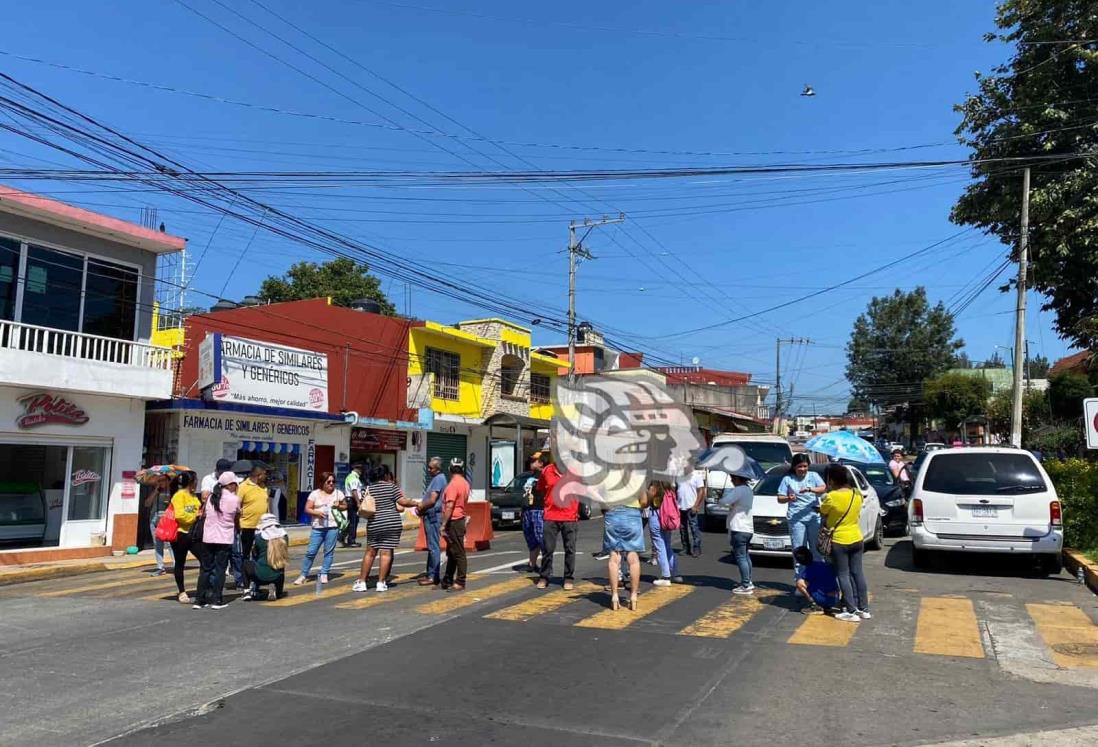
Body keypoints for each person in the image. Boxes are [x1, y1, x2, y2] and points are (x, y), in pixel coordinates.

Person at [353, 466, 418, 592]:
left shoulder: (368, 489)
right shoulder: (392, 487)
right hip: (392, 523)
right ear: (386, 475)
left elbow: (362, 504)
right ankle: (381, 582)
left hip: (375, 522)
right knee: (386, 552)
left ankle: (362, 581)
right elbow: (402, 502)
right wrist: (416, 503)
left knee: (370, 552)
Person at [821, 464, 869, 623]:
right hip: (857, 538)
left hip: (839, 540)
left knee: (843, 574)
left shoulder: (831, 496)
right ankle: (864, 608)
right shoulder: (857, 493)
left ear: (832, 480)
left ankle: (851, 610)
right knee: (858, 573)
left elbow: (824, 511)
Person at [194, 472, 241, 610]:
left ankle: (199, 600)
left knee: (205, 569)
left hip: (208, 537)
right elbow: (238, 513)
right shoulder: (234, 499)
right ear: (231, 485)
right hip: (224, 538)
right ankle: (216, 599)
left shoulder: (210, 498)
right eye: (236, 484)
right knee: (220, 569)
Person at [777, 454, 827, 579]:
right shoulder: (788, 479)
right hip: (796, 519)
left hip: (813, 518)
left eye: (805, 466)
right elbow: (780, 498)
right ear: (794, 467)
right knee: (800, 550)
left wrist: (810, 489)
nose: (803, 469)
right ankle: (801, 579)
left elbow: (823, 488)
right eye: (800, 466)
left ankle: (819, 579)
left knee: (816, 550)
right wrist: (789, 498)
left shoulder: (813, 476)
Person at [293, 472, 347, 585]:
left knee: (329, 552)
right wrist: (317, 513)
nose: (331, 484)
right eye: (328, 482)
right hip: (318, 527)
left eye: (333, 481)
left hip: (332, 526)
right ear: (322, 483)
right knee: (311, 552)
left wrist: (339, 506)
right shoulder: (315, 494)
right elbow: (307, 509)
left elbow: (345, 506)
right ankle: (303, 574)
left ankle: (324, 573)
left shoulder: (338, 493)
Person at [602, 486, 648, 611]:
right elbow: (644, 501)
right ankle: (633, 597)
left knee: (614, 557)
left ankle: (615, 596)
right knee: (633, 558)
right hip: (632, 514)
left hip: (612, 513)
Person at [537, 452, 577, 590]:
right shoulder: (547, 471)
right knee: (548, 549)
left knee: (570, 549)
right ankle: (544, 576)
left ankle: (568, 578)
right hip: (551, 516)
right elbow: (541, 489)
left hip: (569, 516)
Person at [168, 472, 202, 604]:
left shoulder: (193, 496)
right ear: (191, 481)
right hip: (180, 534)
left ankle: (203, 587)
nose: (197, 482)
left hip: (193, 534)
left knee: (205, 559)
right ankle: (181, 591)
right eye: (196, 479)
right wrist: (195, 516)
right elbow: (180, 516)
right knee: (180, 563)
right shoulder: (179, 495)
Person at [719, 471, 755, 595]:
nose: (731, 481)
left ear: (738, 479)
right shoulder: (749, 490)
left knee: (740, 556)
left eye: (732, 478)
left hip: (738, 527)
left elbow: (723, 501)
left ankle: (745, 585)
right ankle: (748, 581)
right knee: (745, 555)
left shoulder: (739, 490)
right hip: (748, 527)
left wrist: (722, 497)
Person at [416, 457, 448, 587]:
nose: (429, 470)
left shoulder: (438, 479)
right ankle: (431, 573)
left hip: (433, 515)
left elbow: (433, 500)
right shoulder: (437, 479)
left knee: (433, 547)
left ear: (438, 469)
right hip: (431, 515)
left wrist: (421, 506)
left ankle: (433, 576)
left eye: (431, 468)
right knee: (432, 546)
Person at [440, 459, 471, 591]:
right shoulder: (465, 483)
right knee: (452, 551)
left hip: (454, 520)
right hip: (459, 519)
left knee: (458, 552)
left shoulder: (453, 484)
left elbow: (450, 505)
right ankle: (448, 578)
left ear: (450, 469)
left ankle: (460, 581)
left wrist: (443, 524)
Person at [244, 513, 288, 601]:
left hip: (259, 577)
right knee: (281, 561)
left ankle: (247, 591)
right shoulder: (285, 536)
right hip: (277, 577)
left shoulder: (259, 537)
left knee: (245, 563)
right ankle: (278, 591)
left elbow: (255, 554)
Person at [648, 482, 682, 586]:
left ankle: (665, 576)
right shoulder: (669, 488)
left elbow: (647, 500)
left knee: (660, 547)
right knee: (667, 547)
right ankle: (676, 574)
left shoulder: (654, 487)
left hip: (656, 517)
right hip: (667, 519)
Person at [792, 546, 840, 615]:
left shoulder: (808, 570)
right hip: (835, 597)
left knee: (799, 583)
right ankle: (827, 606)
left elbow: (803, 584)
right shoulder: (824, 564)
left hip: (823, 599)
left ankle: (814, 605)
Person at [237, 466, 268, 568]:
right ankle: (244, 575)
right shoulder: (243, 487)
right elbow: (237, 505)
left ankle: (257, 572)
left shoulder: (263, 487)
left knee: (259, 551)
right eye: (264, 474)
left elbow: (266, 504)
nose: (266, 476)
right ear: (258, 476)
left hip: (261, 526)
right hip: (247, 526)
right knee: (245, 552)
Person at [522, 455, 546, 573]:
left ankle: (546, 566)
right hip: (527, 510)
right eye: (530, 460)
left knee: (541, 537)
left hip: (539, 509)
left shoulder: (545, 475)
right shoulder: (530, 476)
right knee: (530, 538)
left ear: (541, 463)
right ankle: (532, 564)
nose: (530, 463)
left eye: (533, 461)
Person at [145, 475, 173, 576]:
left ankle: (176, 564)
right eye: (159, 481)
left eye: (163, 480)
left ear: (168, 481)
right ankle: (160, 567)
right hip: (154, 519)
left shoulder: (172, 492)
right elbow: (147, 503)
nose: (160, 483)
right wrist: (156, 491)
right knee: (157, 543)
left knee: (170, 543)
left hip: (167, 520)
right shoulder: (156, 492)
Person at [676, 468, 706, 557]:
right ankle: (686, 548)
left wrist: (696, 506)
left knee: (694, 528)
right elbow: (676, 490)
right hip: (680, 507)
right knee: (682, 528)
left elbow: (701, 491)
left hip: (691, 507)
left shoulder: (696, 476)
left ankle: (696, 548)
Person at [342, 463, 365, 548]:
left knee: (353, 521)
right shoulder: (353, 478)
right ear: (357, 469)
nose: (362, 472)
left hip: (350, 500)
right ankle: (351, 541)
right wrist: (358, 503)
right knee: (354, 521)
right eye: (361, 470)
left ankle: (343, 537)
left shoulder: (350, 476)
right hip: (352, 501)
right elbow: (354, 491)